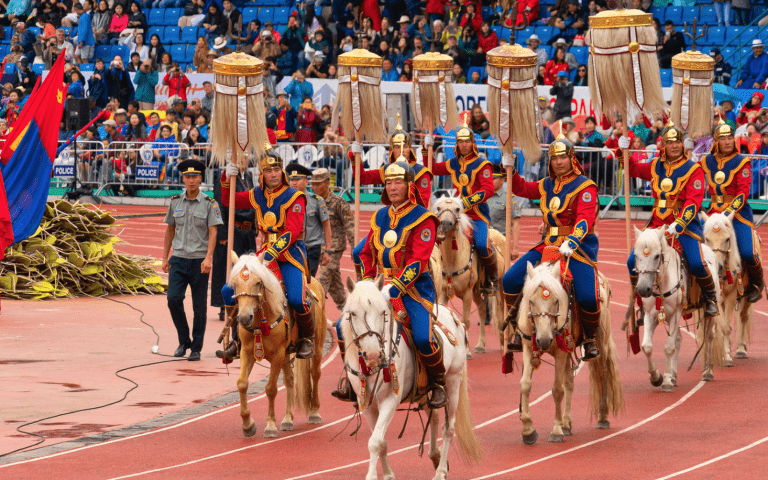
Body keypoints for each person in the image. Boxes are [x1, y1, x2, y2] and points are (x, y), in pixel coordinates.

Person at [333, 161, 446, 409]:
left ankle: (438, 383)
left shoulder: (424, 218)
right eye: (388, 182)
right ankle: (352, 381)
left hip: (413, 290)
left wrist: (393, 288)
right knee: (343, 326)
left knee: (423, 337)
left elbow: (418, 262)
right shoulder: (380, 216)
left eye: (398, 182)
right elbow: (365, 252)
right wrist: (368, 284)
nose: (392, 187)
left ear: (409, 186)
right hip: (379, 288)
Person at [501, 133, 601, 360]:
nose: (558, 162)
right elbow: (522, 189)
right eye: (554, 158)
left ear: (572, 158)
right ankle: (518, 327)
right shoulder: (547, 184)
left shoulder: (586, 186)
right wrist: (510, 168)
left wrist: (573, 240)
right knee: (510, 279)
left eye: (562, 157)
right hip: (548, 244)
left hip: (577, 248)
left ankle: (590, 338)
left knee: (588, 296)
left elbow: (585, 218)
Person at [618, 120, 719, 322]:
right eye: (670, 142)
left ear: (682, 144)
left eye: (677, 142)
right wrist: (623, 153)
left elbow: (693, 201)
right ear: (663, 145)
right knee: (632, 262)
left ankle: (710, 299)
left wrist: (680, 223)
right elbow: (634, 170)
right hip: (656, 225)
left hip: (684, 226)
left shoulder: (693, 169)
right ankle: (642, 302)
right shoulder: (656, 165)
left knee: (697, 263)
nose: (674, 146)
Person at [221, 145, 316, 359]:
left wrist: (272, 253)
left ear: (282, 171)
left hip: (290, 254)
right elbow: (229, 201)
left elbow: (292, 231)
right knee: (229, 290)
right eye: (268, 171)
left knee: (296, 299)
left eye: (276, 170)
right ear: (261, 174)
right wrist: (227, 176)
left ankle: (306, 338)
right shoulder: (257, 194)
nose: (273, 174)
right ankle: (237, 338)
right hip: (264, 253)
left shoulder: (295, 196)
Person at [349, 119, 434, 273]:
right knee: (358, 253)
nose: (401, 150)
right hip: (389, 221)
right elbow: (362, 178)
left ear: (410, 148)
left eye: (405, 146)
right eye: (396, 146)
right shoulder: (388, 170)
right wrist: (356, 158)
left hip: (413, 223)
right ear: (391, 150)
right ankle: (366, 283)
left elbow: (423, 203)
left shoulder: (421, 172)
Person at [428, 117, 498, 294]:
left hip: (477, 215)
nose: (464, 145)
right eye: (461, 142)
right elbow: (432, 169)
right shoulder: (453, 163)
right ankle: (434, 274)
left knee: (482, 245)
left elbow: (488, 189)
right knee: (435, 238)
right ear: (457, 144)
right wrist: (426, 149)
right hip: (456, 214)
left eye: (467, 141)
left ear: (472, 143)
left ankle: (492, 279)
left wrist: (467, 201)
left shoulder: (482, 164)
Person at [162, 159, 223, 361]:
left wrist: (209, 258)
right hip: (178, 259)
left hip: (199, 261)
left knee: (199, 308)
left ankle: (196, 347)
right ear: (183, 178)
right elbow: (170, 229)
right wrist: (164, 257)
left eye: (194, 176)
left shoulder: (209, 204)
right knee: (173, 299)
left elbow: (213, 232)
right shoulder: (175, 201)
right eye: (187, 177)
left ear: (200, 178)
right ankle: (183, 340)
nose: (191, 180)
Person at [701, 120, 764, 303]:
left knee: (748, 252)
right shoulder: (707, 160)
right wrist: (687, 151)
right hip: (713, 212)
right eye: (723, 138)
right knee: (694, 245)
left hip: (737, 213)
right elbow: (690, 173)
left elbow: (743, 192)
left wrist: (728, 212)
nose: (727, 141)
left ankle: (756, 283)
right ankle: (697, 286)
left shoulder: (741, 161)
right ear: (716, 141)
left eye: (730, 138)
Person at [211, 160, 255, 355]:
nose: (243, 161)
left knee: (248, 271)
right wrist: (222, 233)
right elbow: (219, 204)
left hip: (247, 231)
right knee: (229, 269)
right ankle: (225, 306)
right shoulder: (226, 177)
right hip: (231, 229)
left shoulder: (249, 177)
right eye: (240, 158)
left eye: (246, 158)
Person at [312, 167, 355, 310]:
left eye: (318, 184)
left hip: (334, 249)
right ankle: (346, 308)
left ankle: (315, 314)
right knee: (334, 284)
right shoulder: (312, 201)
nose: (315, 187)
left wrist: (355, 248)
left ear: (327, 183)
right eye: (313, 184)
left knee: (321, 282)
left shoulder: (339, 203)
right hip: (317, 247)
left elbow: (350, 226)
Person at [286, 164, 331, 278]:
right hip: (290, 248)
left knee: (308, 280)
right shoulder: (284, 201)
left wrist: (328, 251)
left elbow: (326, 225)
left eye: (297, 179)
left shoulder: (316, 201)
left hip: (311, 249)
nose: (294, 183)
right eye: (292, 180)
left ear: (306, 182)